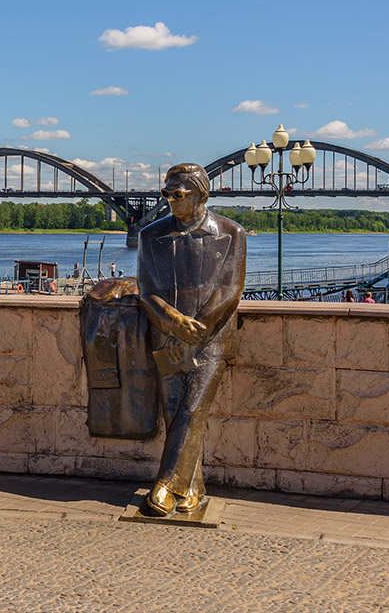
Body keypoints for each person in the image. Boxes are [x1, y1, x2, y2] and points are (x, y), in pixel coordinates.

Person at [137, 163, 245, 517]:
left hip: (211, 337)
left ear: (201, 194)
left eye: (178, 194)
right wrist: (172, 321)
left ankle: (166, 486)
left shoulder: (231, 233)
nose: (170, 200)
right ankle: (193, 491)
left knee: (192, 408)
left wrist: (197, 327)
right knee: (177, 416)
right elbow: (146, 289)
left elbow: (231, 289)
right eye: (166, 194)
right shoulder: (150, 236)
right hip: (166, 335)